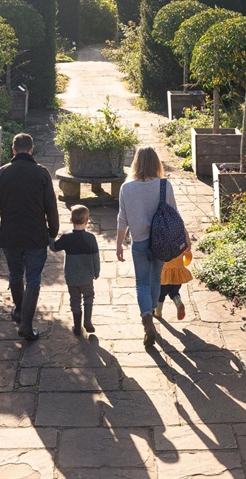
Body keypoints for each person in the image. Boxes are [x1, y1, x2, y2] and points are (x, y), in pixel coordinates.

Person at [0, 132, 59, 341]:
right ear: (32, 149)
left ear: (13, 150)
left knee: (15, 274)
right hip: (36, 235)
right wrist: (52, 231)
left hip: (9, 236)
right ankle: (26, 324)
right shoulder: (42, 173)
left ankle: (19, 311)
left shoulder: (1, 174)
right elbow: (51, 207)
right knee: (34, 278)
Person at [116, 145, 187, 347]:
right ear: (157, 163)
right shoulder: (165, 186)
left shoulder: (126, 188)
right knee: (155, 279)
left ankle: (147, 322)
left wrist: (119, 244)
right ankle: (154, 312)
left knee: (141, 283)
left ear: (136, 163)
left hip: (139, 242)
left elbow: (122, 220)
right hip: (161, 242)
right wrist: (186, 240)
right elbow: (175, 215)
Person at [51, 204, 101, 336]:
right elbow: (96, 257)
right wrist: (96, 272)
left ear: (71, 220)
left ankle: (77, 326)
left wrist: (50, 237)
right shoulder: (90, 238)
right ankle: (87, 321)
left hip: (71, 277)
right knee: (89, 297)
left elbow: (54, 248)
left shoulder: (67, 238)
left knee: (75, 301)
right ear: (87, 221)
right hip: (86, 277)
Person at [155, 246, 193, 320]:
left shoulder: (162, 242)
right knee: (174, 293)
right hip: (177, 274)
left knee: (161, 294)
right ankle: (179, 304)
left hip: (164, 275)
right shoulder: (181, 242)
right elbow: (189, 255)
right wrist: (185, 263)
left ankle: (158, 313)